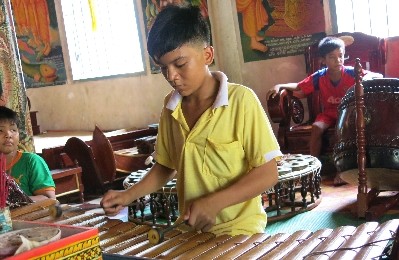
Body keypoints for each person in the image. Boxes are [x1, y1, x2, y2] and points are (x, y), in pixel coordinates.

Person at [101, 4, 282, 236]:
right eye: (162, 68)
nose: (171, 76)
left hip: (240, 231)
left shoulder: (241, 101)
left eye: (180, 64)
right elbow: (166, 166)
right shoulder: (171, 108)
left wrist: (215, 202)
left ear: (207, 55)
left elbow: (268, 173)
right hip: (191, 231)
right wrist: (127, 195)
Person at [266, 36, 382, 184]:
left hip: (347, 113)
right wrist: (280, 85)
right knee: (316, 127)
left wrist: (366, 79)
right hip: (328, 113)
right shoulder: (320, 77)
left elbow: (377, 76)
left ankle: (342, 171)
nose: (338, 60)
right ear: (323, 60)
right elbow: (299, 87)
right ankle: (314, 168)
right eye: (332, 57)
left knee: (343, 130)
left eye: (340, 56)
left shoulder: (352, 73)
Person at [0, 106, 56, 201]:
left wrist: (16, 201)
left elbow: (49, 199)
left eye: (13, 130)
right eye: (0, 130)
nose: (8, 135)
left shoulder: (32, 162)